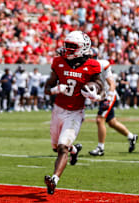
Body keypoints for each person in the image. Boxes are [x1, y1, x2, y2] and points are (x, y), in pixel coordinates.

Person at [43, 31, 103, 195]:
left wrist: (96, 95)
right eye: (67, 45)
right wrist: (56, 89)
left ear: (82, 48)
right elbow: (47, 89)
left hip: (75, 113)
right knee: (56, 148)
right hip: (58, 110)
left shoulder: (92, 65)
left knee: (62, 147)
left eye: (72, 46)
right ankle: (74, 151)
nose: (68, 49)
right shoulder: (59, 62)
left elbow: (100, 86)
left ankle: (54, 180)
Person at [88, 50, 138, 156]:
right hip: (101, 96)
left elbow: (112, 84)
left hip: (108, 95)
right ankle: (131, 137)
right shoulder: (85, 68)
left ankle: (100, 148)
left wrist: (108, 98)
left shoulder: (102, 65)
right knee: (112, 122)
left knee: (99, 119)